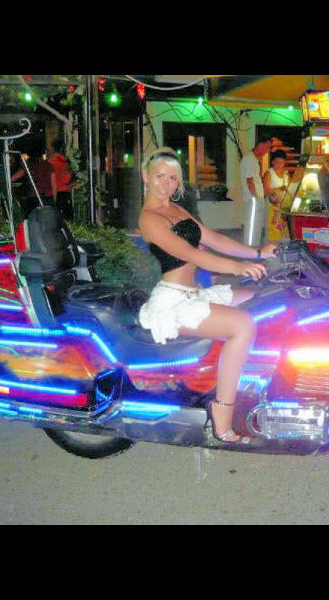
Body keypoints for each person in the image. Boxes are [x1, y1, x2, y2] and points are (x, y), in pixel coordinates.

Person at [137, 148, 277, 444]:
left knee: (262, 300)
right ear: (145, 176)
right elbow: (191, 254)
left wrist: (258, 252)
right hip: (172, 302)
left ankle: (253, 381)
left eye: (172, 178)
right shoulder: (149, 218)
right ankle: (222, 414)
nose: (166, 184)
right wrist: (238, 267)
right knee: (242, 325)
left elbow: (215, 240)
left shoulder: (177, 210)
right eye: (160, 176)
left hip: (194, 293)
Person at [240, 134, 274, 247]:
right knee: (252, 227)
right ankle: (250, 251)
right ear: (260, 145)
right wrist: (256, 198)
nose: (268, 150)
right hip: (253, 198)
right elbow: (249, 180)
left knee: (256, 226)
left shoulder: (253, 158)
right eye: (267, 147)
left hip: (256, 198)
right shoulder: (249, 159)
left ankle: (254, 249)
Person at [263, 149, 290, 242]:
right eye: (277, 162)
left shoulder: (286, 175)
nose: (279, 165)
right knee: (273, 232)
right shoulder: (269, 173)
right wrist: (279, 189)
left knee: (283, 231)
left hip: (282, 207)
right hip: (272, 206)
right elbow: (265, 191)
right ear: (272, 162)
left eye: (281, 163)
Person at [48, 140, 73, 220]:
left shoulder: (50, 162)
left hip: (54, 192)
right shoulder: (66, 162)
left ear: (52, 148)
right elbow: (68, 177)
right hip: (65, 191)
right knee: (68, 216)